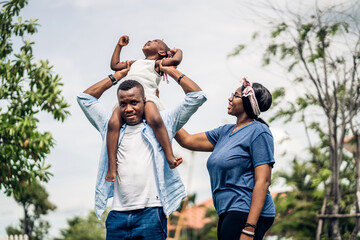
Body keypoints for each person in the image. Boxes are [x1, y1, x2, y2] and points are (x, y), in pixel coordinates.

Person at [77, 60, 206, 239]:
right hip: (117, 216)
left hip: (151, 214)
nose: (128, 109)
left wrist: (170, 70)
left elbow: (197, 96)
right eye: (123, 104)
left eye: (134, 102)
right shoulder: (110, 127)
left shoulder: (164, 122)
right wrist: (117, 76)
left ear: (145, 101)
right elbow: (85, 99)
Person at [175, 78, 275, 240]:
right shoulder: (225, 132)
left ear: (247, 103)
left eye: (235, 96)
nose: (230, 98)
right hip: (228, 209)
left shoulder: (259, 132)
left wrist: (250, 227)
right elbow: (187, 140)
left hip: (246, 210)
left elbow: (263, 181)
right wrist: (160, 113)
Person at [106, 35, 183, 182]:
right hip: (126, 99)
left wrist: (178, 51)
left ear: (161, 52)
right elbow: (114, 65)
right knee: (112, 123)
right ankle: (112, 167)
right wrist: (119, 46)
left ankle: (169, 156)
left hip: (147, 97)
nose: (149, 40)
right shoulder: (135, 63)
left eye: (155, 41)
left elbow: (176, 60)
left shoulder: (159, 63)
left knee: (154, 119)